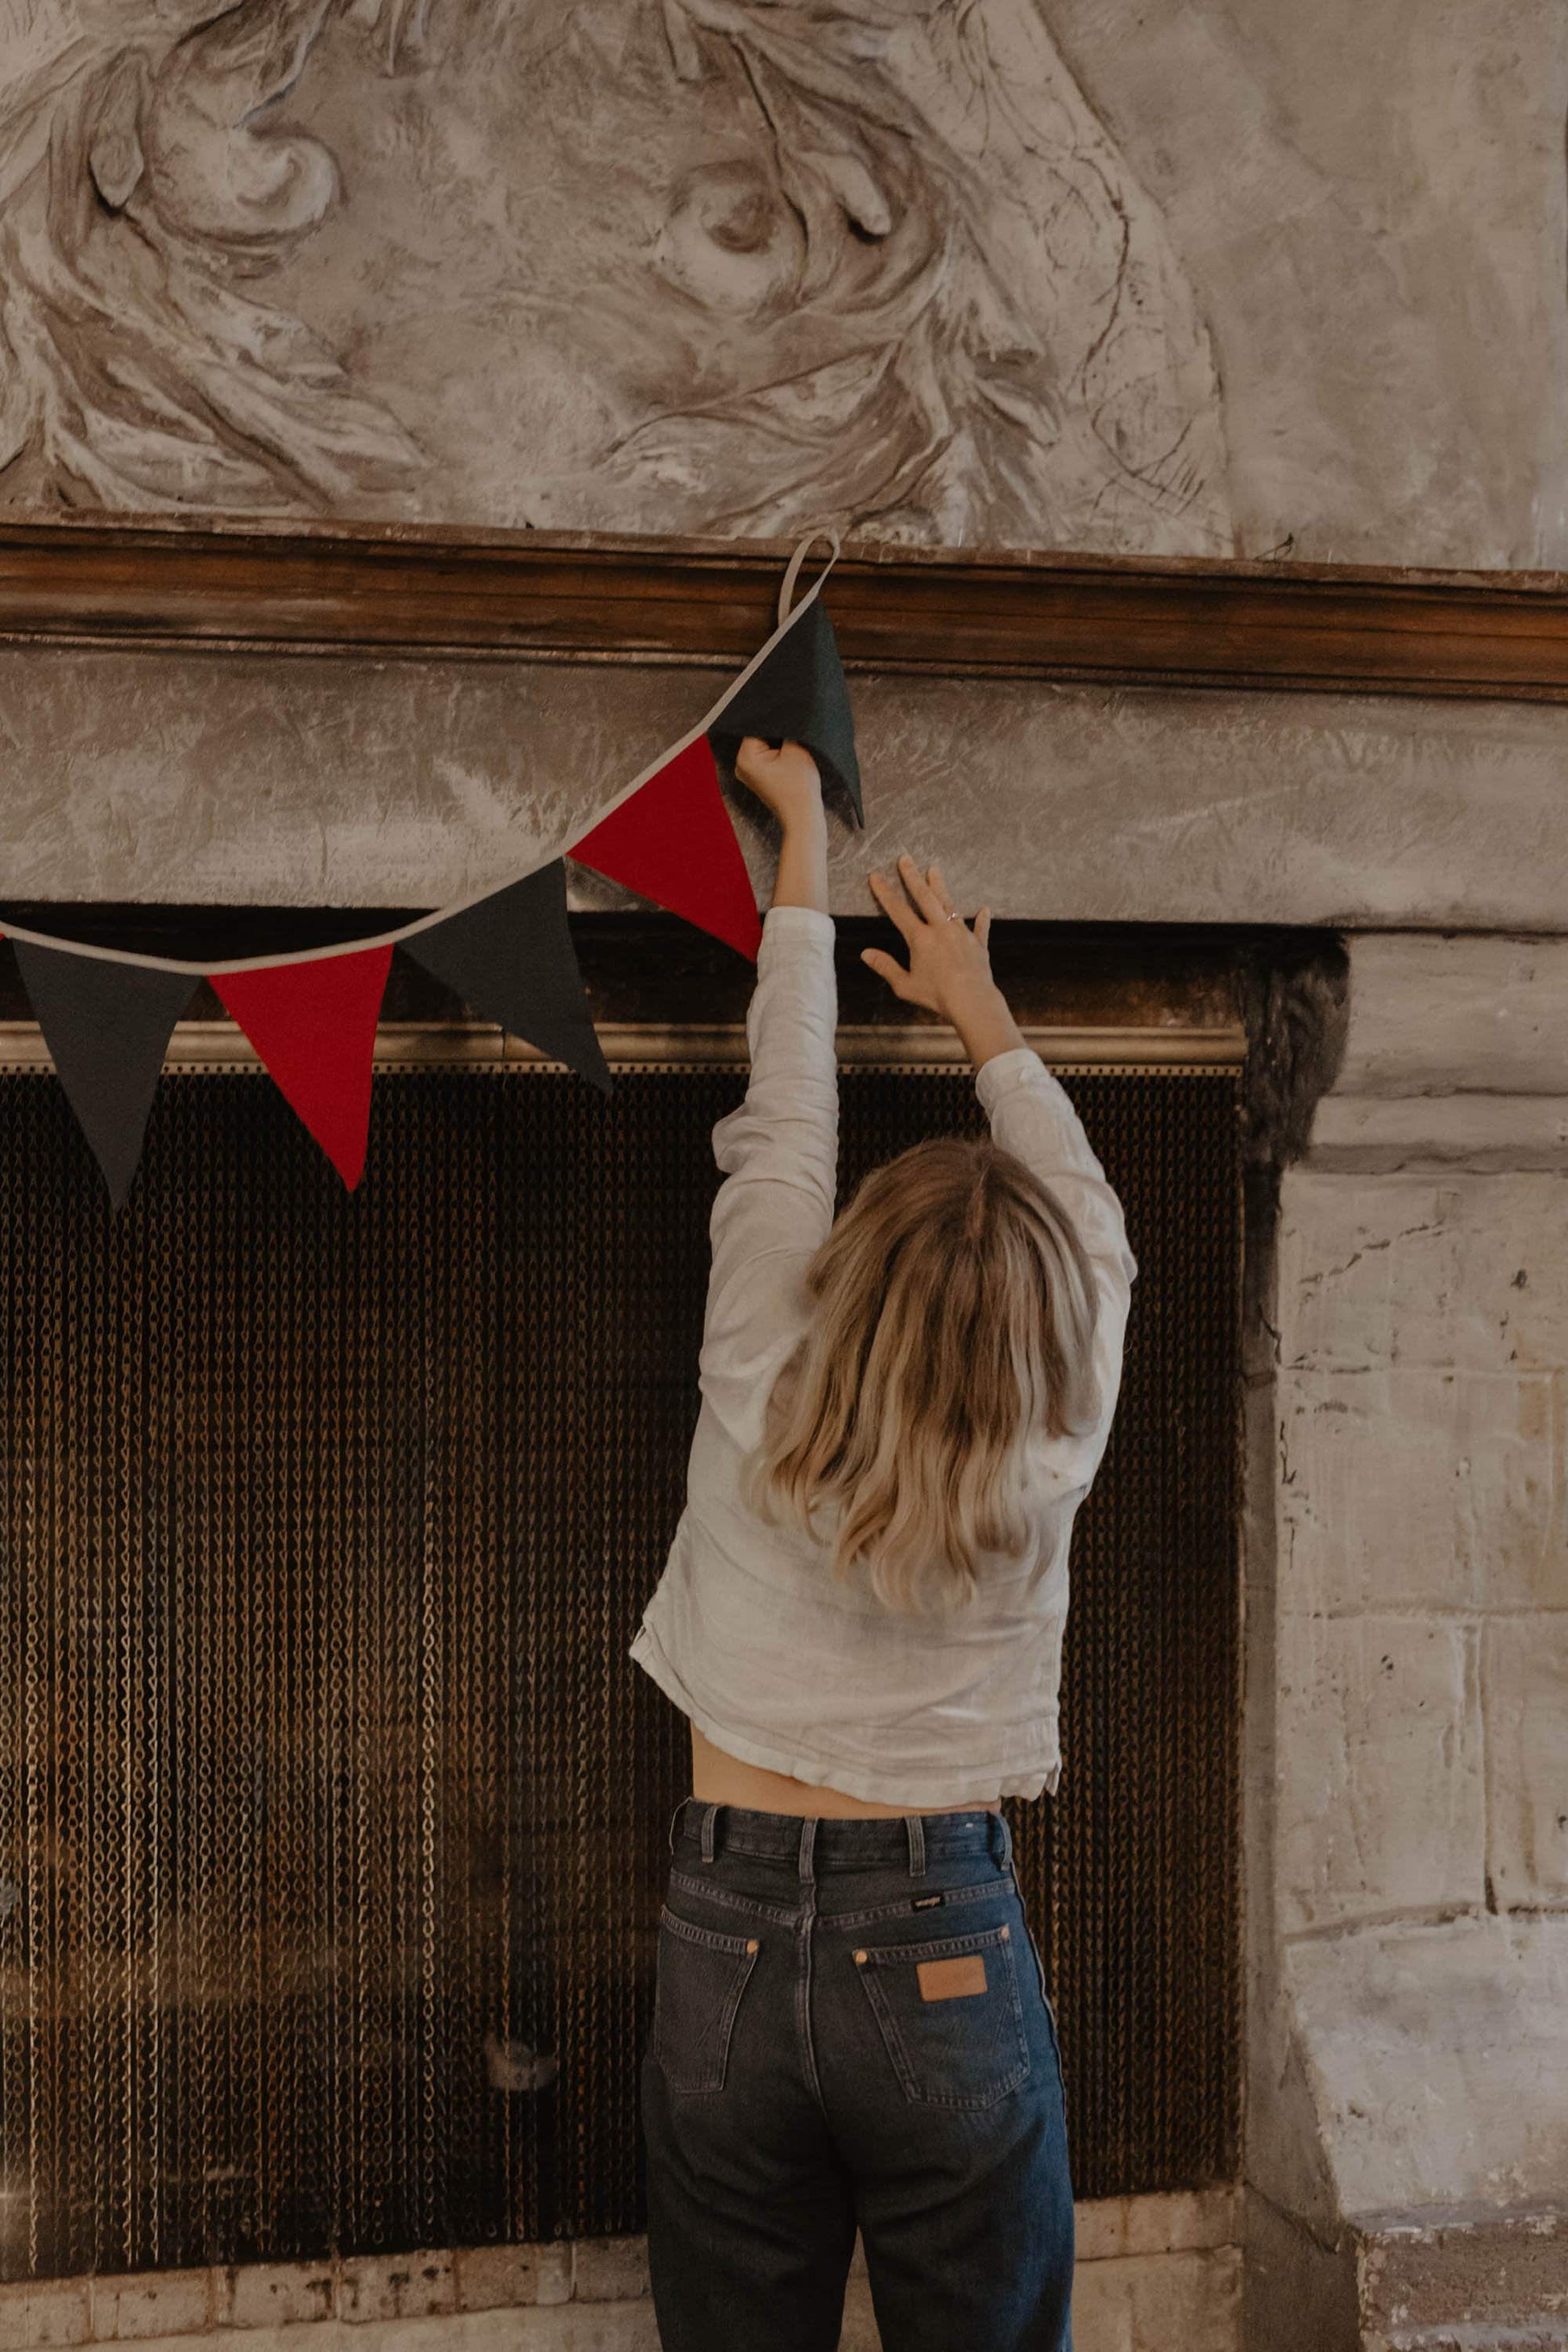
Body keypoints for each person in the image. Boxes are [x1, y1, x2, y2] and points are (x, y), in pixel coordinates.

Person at [631, 737, 1137, 2351]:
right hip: (939, 1943)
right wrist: (979, 1005)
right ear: (1048, 1317)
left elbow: (783, 1116)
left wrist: (795, 846)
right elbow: (1091, 1213)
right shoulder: (1061, 1417)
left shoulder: (760, 1350)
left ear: (853, 1262)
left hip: (723, 1927)